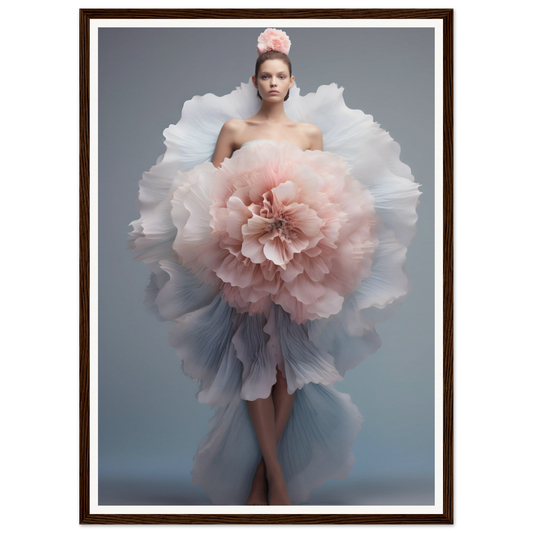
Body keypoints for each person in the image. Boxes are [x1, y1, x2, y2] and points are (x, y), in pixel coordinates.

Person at [128, 28, 421, 507]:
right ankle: (275, 478)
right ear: (254, 80)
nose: (272, 83)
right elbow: (206, 187)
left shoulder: (309, 134)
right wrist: (234, 230)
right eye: (265, 76)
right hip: (243, 255)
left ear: (291, 82)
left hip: (299, 257)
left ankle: (268, 475)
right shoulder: (236, 131)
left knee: (289, 362)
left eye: (280, 76)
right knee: (253, 361)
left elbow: (329, 190)